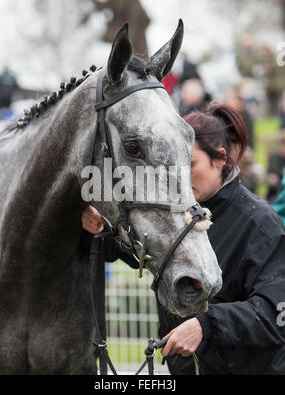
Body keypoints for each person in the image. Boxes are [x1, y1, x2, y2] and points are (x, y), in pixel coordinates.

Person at [81, 102, 285, 375]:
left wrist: (206, 325)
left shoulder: (260, 224)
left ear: (220, 159)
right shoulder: (178, 213)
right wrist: (101, 232)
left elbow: (277, 313)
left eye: (190, 164)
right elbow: (145, 254)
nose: (179, 176)